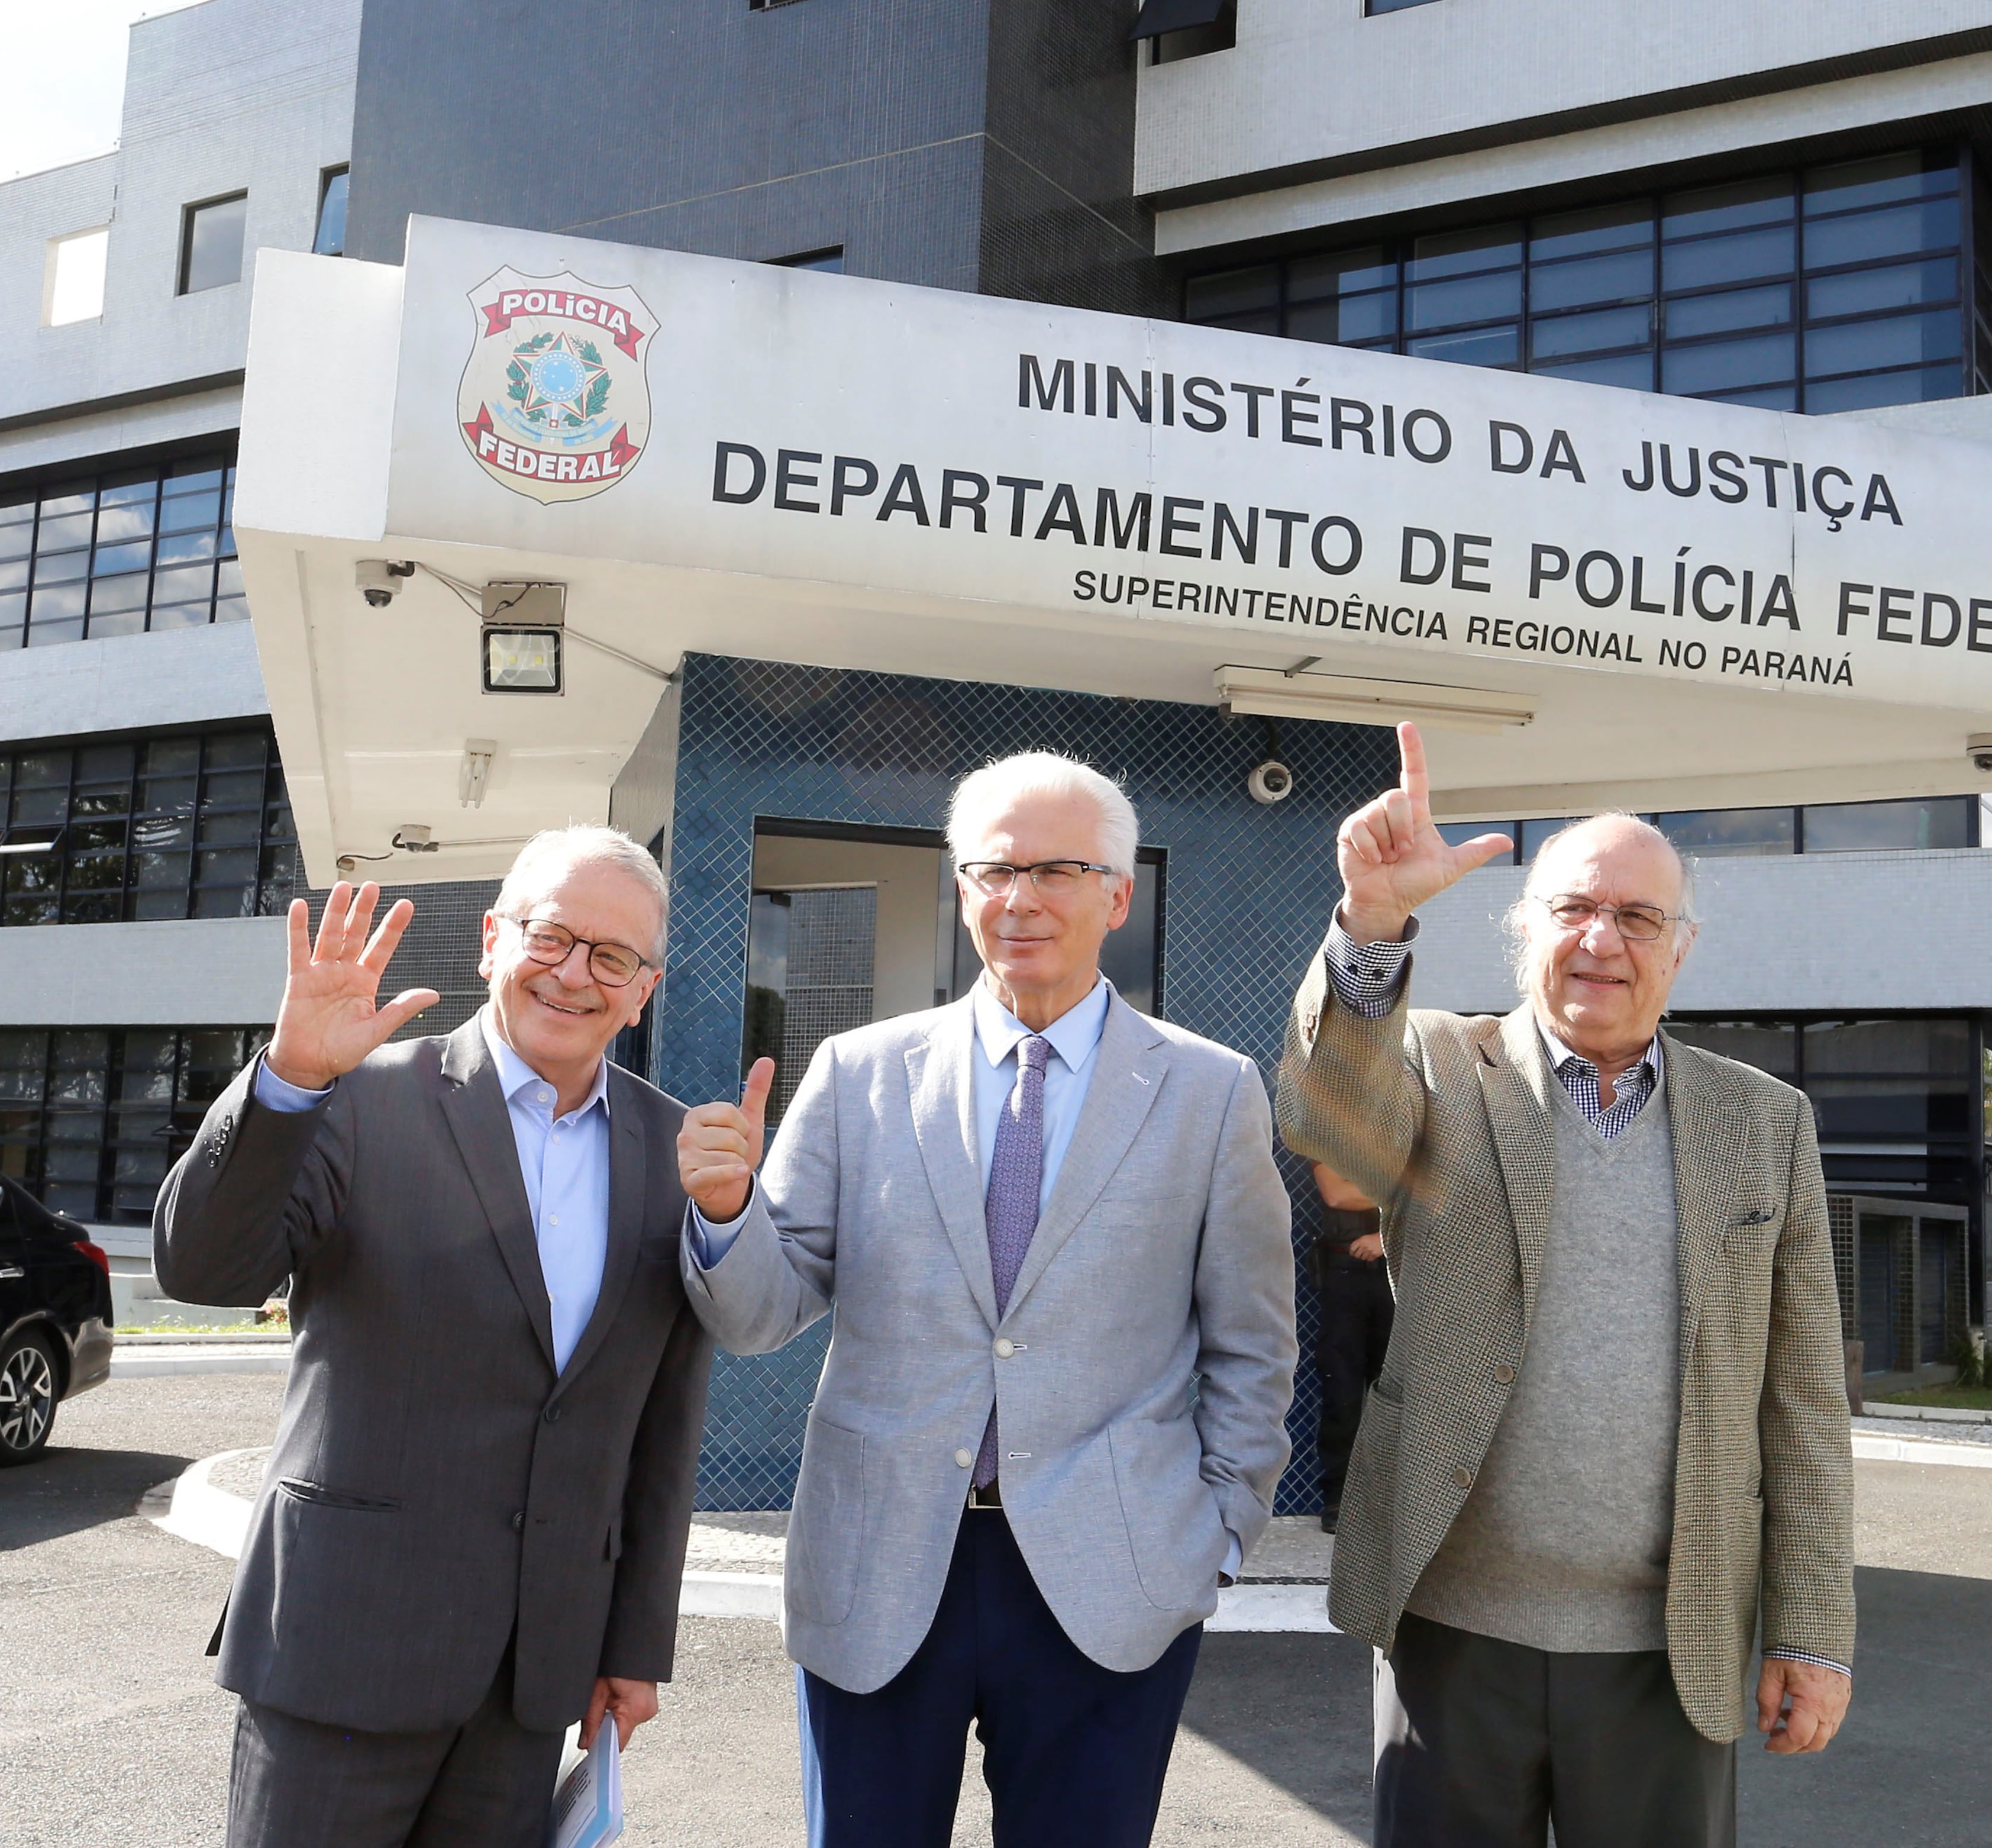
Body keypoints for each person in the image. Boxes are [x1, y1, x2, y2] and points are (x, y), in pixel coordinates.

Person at [676, 752, 1297, 1848]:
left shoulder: (1209, 1091)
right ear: (961, 890)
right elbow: (761, 1315)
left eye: (1057, 870)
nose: (1020, 899)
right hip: (882, 1567)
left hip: (1113, 1579)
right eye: (993, 871)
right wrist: (729, 1216)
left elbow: (1253, 1345)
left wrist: (1217, 1537)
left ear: (1118, 895)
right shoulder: (859, 1072)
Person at [1275, 724, 1855, 1848]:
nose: (1601, 939)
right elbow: (1327, 1114)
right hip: (1452, 1632)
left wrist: (1813, 1631)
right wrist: (1376, 924)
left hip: (1667, 1643)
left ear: (1680, 951)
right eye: (1572, 910)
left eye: (1637, 918)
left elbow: (1801, 1399)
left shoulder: (1765, 1123)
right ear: (1522, 931)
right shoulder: (1445, 1069)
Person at [154, 830, 712, 1848]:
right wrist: (287, 1081)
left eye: (613, 957)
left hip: (529, 1681)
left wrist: (634, 1642)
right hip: (340, 1651)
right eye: (552, 937)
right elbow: (205, 1271)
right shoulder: (357, 1097)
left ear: (644, 990)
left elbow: (660, 1425)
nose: (576, 974)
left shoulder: (674, 1156)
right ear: (493, 940)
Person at [1309, 1159, 1394, 1537]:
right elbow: (1337, 1193)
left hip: (1398, 1272)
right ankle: (1339, 1497)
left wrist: (1385, 1238)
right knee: (1341, 1390)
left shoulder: (1410, 1123)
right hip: (1343, 1273)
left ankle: (1392, 1498)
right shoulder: (1329, 1128)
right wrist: (1397, 1200)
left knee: (1394, 1391)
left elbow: (1439, 1194)